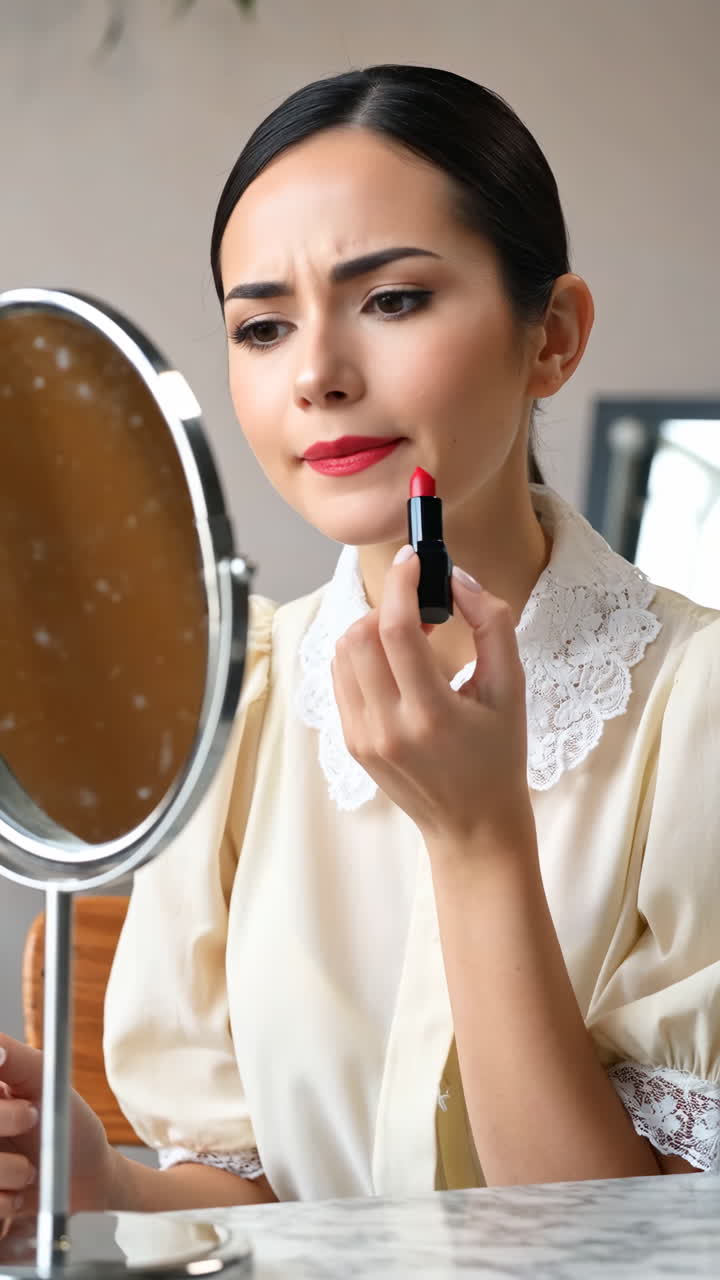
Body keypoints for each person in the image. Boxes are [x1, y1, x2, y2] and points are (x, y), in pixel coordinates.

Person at [1, 64, 719, 1225]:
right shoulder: (237, 706)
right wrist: (100, 1181)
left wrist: (479, 838)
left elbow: (641, 1243)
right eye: (264, 324)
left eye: (391, 300)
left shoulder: (698, 714)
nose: (318, 375)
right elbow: (262, 1194)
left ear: (555, 337)